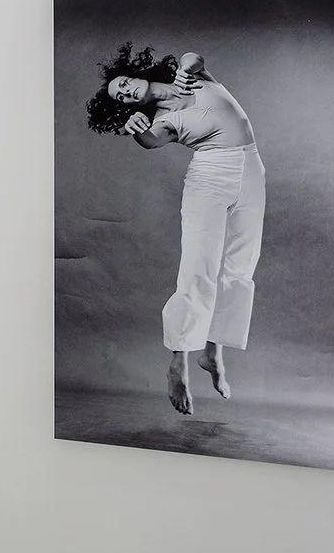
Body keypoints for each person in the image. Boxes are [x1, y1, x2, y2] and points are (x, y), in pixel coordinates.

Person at [85, 46, 264, 415]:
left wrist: (185, 66)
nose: (125, 91)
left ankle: (212, 352)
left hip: (251, 169)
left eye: (123, 83)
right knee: (198, 269)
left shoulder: (193, 77)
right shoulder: (162, 121)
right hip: (210, 177)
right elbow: (151, 141)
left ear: (134, 73)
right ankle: (178, 362)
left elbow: (194, 56)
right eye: (120, 97)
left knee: (240, 268)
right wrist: (136, 131)